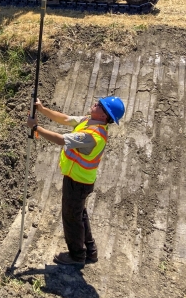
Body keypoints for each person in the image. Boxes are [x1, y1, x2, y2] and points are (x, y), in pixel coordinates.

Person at [26, 96, 125, 265]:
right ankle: (90, 252)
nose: (96, 103)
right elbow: (64, 119)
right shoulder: (89, 121)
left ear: (105, 115)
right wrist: (42, 109)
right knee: (79, 214)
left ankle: (77, 256)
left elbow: (61, 139)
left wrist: (36, 128)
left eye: (100, 105)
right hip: (79, 180)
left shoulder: (92, 136)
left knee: (71, 218)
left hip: (78, 183)